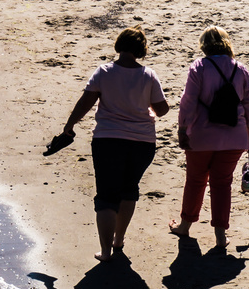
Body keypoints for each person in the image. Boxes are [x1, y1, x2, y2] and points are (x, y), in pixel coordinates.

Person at [55, 26, 169, 261]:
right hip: (142, 142)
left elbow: (85, 102)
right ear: (141, 50)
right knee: (129, 190)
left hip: (108, 140)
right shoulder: (149, 75)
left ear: (119, 46)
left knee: (106, 195)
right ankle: (119, 241)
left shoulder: (104, 72)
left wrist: (69, 126)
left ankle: (106, 251)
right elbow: (162, 109)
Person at [170, 26, 249, 250]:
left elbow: (188, 102)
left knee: (195, 180)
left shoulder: (199, 67)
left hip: (200, 135)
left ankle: (185, 226)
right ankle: (220, 236)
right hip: (234, 137)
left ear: (204, 45)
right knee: (222, 184)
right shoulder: (240, 69)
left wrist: (182, 130)